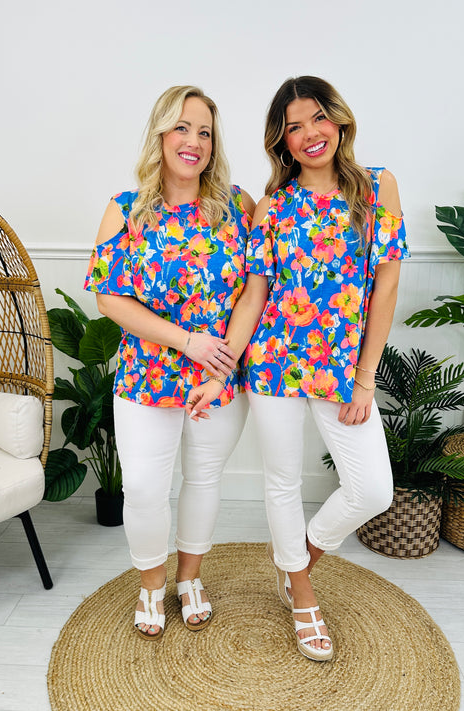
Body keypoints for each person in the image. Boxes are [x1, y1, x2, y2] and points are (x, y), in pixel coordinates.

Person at [186, 76, 409, 661]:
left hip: (343, 371)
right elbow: (255, 296)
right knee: (282, 481)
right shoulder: (274, 208)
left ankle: (300, 556)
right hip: (273, 363)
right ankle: (303, 598)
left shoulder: (378, 188)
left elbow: (385, 289)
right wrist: (221, 368)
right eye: (294, 126)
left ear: (339, 120)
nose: (310, 133)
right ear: (281, 141)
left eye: (318, 118)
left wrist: (366, 377)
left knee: (372, 489)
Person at [84, 85, 254, 640]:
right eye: (182, 127)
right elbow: (109, 298)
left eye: (204, 132)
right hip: (147, 376)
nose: (193, 141)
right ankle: (151, 585)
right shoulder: (126, 209)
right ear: (160, 134)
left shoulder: (237, 206)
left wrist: (220, 360)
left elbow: (258, 287)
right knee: (144, 489)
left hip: (217, 377)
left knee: (204, 480)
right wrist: (187, 342)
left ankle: (189, 578)